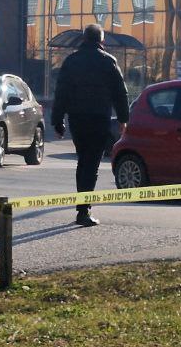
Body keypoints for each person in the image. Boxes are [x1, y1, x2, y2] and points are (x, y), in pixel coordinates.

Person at [51, 23, 130, 227]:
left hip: (77, 118)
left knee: (83, 160)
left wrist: (57, 121)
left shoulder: (71, 61)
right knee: (91, 163)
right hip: (99, 118)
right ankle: (84, 210)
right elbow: (120, 93)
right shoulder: (108, 61)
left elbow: (61, 92)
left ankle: (82, 207)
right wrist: (123, 119)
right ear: (102, 40)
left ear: (84, 39)